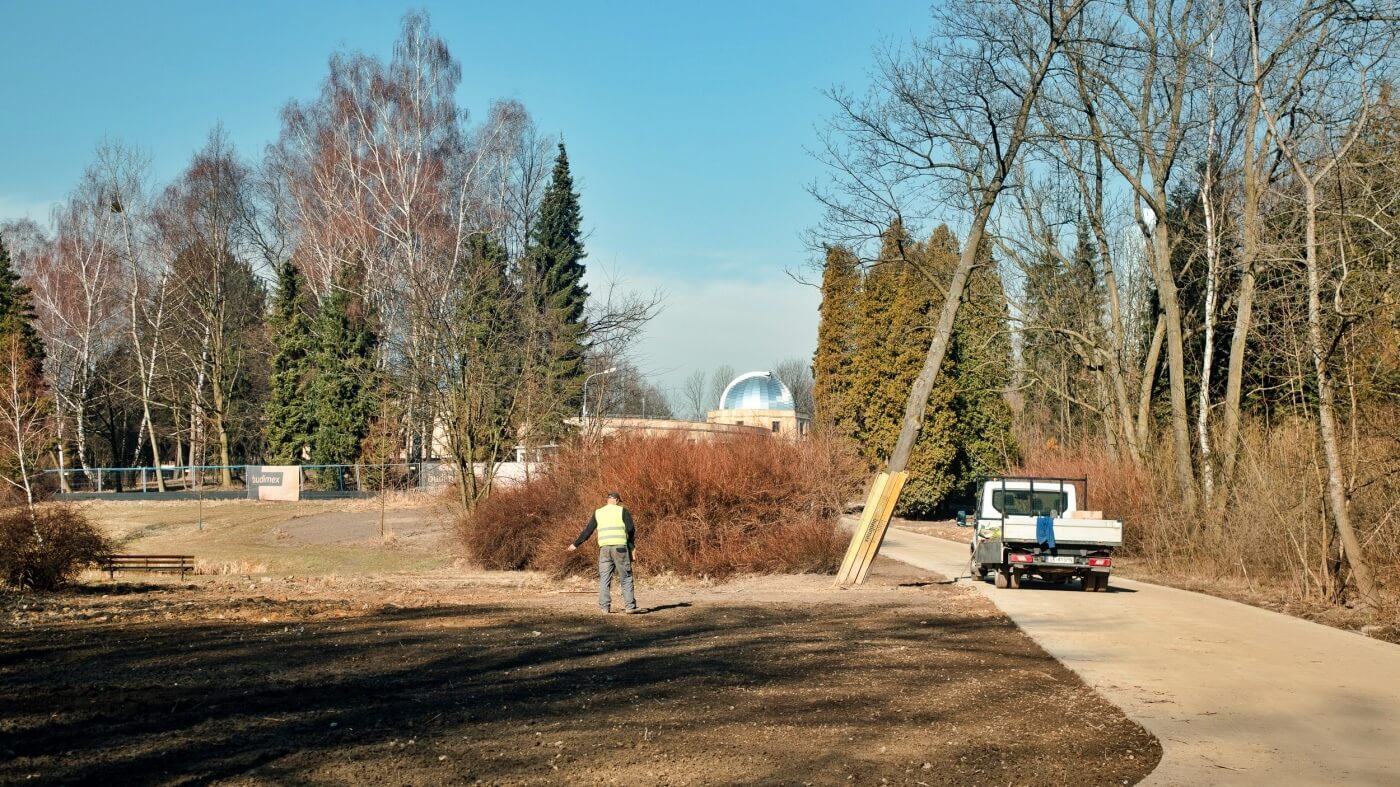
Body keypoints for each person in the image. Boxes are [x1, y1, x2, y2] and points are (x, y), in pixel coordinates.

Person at [567, 491, 640, 613]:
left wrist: (575, 544)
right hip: (620, 548)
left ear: (608, 500)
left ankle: (605, 608)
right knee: (626, 577)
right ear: (617, 500)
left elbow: (588, 530)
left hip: (604, 550)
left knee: (604, 578)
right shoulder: (622, 511)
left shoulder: (598, 512)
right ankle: (629, 607)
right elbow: (631, 529)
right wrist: (631, 546)